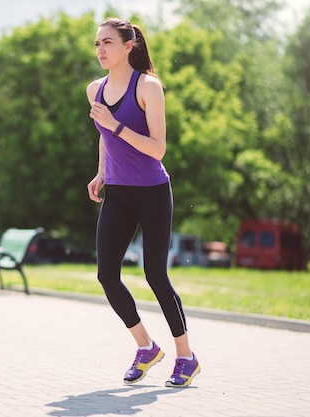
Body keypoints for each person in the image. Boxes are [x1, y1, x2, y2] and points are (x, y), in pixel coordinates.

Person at [86, 18, 200, 388]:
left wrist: (116, 124)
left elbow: (157, 148)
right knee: (106, 274)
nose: (101, 50)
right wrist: (102, 172)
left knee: (155, 275)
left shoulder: (148, 86)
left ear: (128, 46)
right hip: (117, 192)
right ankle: (146, 347)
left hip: (152, 190)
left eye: (107, 43)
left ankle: (186, 356)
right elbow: (105, 138)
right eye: (97, 44)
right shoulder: (95, 89)